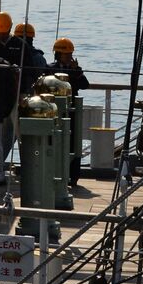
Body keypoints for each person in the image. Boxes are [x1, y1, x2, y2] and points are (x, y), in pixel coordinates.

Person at [50, 37, 90, 185]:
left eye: (70, 55)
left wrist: (77, 71)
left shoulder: (74, 70)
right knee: (54, 141)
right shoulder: (50, 69)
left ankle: (73, 176)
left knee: (74, 142)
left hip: (72, 111)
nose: (69, 58)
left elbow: (85, 84)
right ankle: (54, 172)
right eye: (66, 55)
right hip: (54, 112)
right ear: (58, 54)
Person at [0, 11, 19, 185]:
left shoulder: (18, 46)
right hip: (2, 102)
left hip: (9, 101)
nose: (0, 35)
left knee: (0, 140)